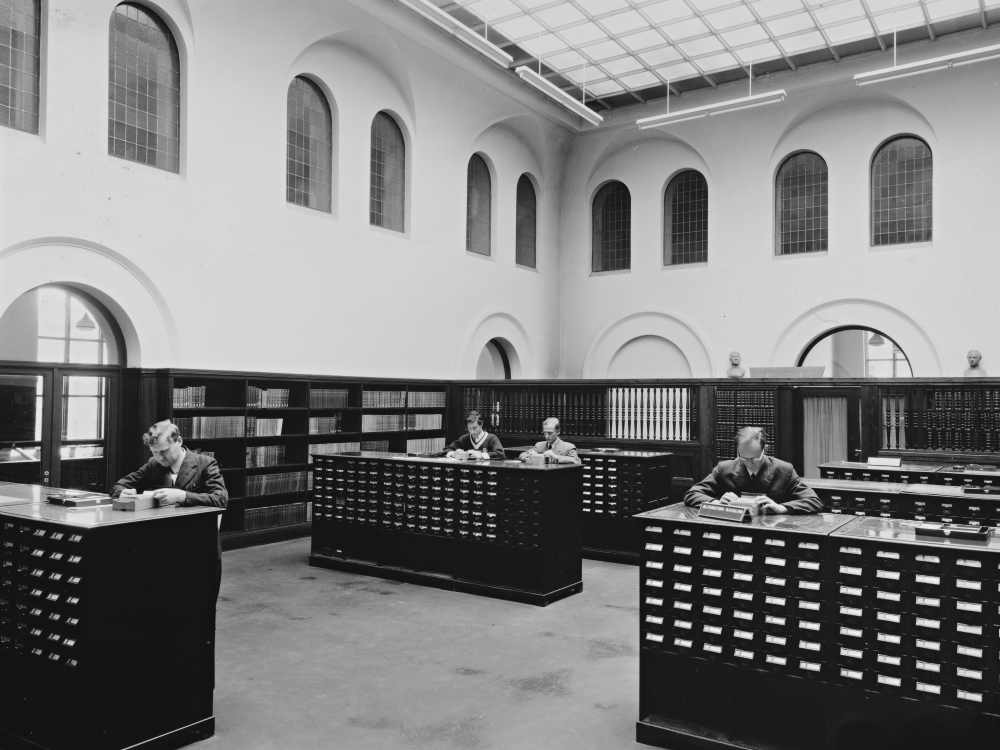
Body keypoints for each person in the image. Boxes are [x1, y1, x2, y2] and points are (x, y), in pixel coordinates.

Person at [111, 419, 229, 594]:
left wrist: (182, 496)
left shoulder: (205, 463)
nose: (160, 457)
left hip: (199, 548)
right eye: (154, 452)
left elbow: (220, 499)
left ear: (179, 441)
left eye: (164, 451)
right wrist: (121, 492)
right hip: (164, 548)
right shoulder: (154, 464)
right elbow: (118, 485)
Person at [684, 426, 821, 514]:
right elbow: (692, 494)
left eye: (754, 459)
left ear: (765, 450)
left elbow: (814, 501)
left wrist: (782, 508)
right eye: (743, 458)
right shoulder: (724, 469)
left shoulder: (784, 470)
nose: (749, 463)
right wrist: (717, 503)